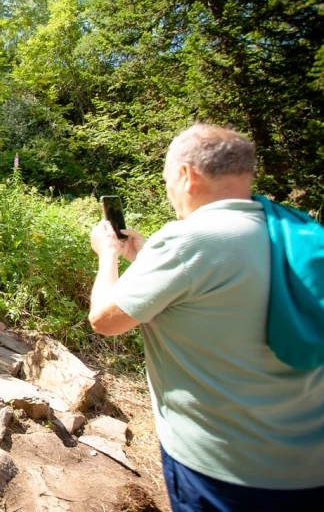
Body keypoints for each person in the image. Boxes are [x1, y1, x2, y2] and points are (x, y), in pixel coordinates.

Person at [88, 123, 324, 510]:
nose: (170, 192)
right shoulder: (297, 232)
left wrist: (109, 255)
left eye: (167, 181)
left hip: (226, 469)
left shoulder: (188, 239)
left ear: (187, 175)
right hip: (309, 466)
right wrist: (143, 255)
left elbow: (105, 320)